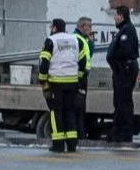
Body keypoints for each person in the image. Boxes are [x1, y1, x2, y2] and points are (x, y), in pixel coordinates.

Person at [37, 18, 88, 153]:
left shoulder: (50, 41)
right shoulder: (75, 40)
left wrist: (43, 81)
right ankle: (72, 144)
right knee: (70, 112)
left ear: (54, 28)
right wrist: (80, 77)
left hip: (56, 82)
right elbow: (83, 61)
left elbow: (44, 63)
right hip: (72, 82)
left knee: (56, 112)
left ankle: (58, 145)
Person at [106, 5, 140, 143]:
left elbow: (125, 51)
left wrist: (115, 58)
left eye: (116, 15)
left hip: (125, 70)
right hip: (121, 70)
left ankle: (124, 132)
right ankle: (118, 131)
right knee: (119, 101)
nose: (115, 18)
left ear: (122, 16)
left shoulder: (128, 31)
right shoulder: (123, 30)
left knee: (123, 102)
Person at [74, 16, 96, 141]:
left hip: (81, 76)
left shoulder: (84, 39)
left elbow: (90, 54)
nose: (91, 30)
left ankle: (80, 133)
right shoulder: (78, 39)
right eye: (90, 27)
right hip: (79, 77)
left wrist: (91, 41)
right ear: (83, 27)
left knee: (80, 107)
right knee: (79, 107)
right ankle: (79, 135)